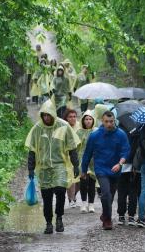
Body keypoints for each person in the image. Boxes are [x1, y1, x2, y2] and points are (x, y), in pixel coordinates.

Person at [25, 100, 80, 234]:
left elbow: (72, 147)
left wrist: (75, 165)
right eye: (44, 115)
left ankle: (59, 218)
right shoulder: (37, 128)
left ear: (53, 115)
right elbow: (32, 150)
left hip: (59, 166)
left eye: (48, 115)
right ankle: (48, 222)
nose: (46, 118)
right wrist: (31, 168)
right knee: (47, 197)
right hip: (43, 168)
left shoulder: (64, 126)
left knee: (61, 192)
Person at [81, 111, 130, 230]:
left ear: (114, 121)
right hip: (101, 168)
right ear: (102, 122)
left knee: (111, 196)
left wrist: (120, 163)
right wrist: (83, 170)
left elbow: (126, 151)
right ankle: (107, 220)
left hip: (115, 169)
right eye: (106, 121)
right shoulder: (95, 135)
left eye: (111, 121)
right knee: (106, 194)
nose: (109, 124)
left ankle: (105, 214)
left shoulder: (121, 134)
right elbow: (87, 154)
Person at [76, 110, 97, 213]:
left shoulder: (96, 131)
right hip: (82, 159)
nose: (88, 121)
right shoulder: (79, 132)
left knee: (92, 182)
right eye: (86, 119)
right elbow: (75, 147)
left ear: (93, 120)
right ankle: (83, 203)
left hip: (94, 160)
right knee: (83, 182)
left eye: (90, 119)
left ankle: (91, 204)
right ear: (83, 121)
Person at [63, 109, 80, 208]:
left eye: (74, 116)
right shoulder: (64, 127)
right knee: (71, 179)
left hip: (79, 155)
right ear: (66, 118)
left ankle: (73, 195)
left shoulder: (79, 126)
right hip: (68, 156)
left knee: (80, 180)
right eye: (70, 117)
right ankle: (71, 199)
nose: (73, 118)